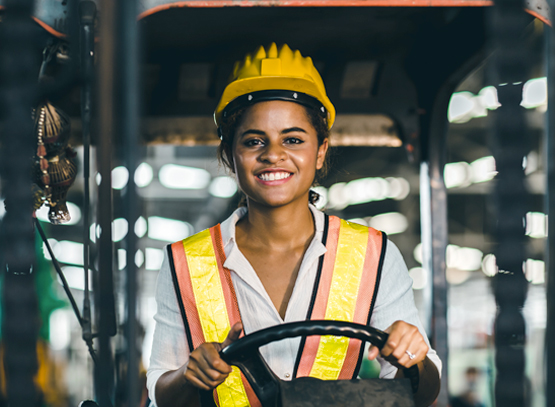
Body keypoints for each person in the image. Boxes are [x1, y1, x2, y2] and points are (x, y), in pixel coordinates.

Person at [146, 43, 441, 407]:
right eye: (254, 141)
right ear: (229, 155)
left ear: (320, 151)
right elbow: (162, 391)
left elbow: (423, 391)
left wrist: (412, 357)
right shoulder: (184, 263)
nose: (273, 154)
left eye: (293, 139)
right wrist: (191, 375)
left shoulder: (373, 255)